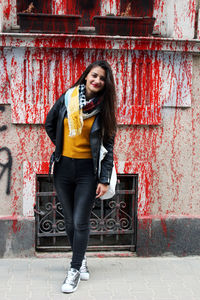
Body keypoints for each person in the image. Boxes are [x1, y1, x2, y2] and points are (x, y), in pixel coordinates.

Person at [45, 60, 117, 293]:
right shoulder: (68, 98)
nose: (96, 80)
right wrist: (62, 147)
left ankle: (74, 269)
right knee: (68, 221)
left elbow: (108, 145)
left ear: (105, 84)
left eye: (101, 79)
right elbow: (49, 123)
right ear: (86, 76)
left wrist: (104, 179)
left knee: (80, 221)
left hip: (88, 172)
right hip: (63, 168)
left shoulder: (105, 109)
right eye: (93, 75)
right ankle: (81, 257)